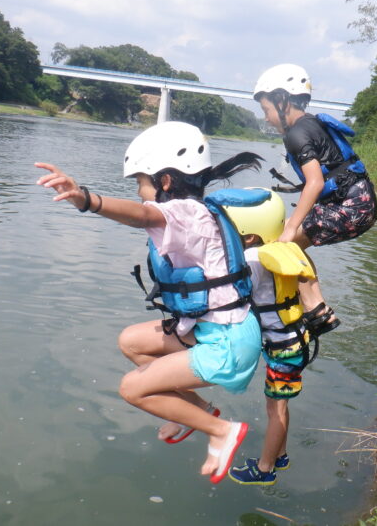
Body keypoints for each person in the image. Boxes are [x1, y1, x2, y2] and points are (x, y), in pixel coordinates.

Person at [35, 121, 266, 484]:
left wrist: (86, 199)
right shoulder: (197, 210)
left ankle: (221, 430)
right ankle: (195, 410)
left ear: (166, 182)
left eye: (141, 182)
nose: (140, 192)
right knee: (132, 341)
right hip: (224, 329)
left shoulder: (182, 212)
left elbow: (143, 214)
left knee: (132, 388)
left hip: (228, 344)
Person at [253, 63, 377, 337]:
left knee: (282, 246)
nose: (266, 118)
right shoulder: (310, 124)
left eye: (266, 110)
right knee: (288, 242)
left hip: (350, 208)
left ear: (282, 101)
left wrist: (289, 229)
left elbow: (315, 182)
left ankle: (315, 310)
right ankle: (315, 306)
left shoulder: (296, 134)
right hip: (360, 204)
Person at [220, 189, 317, 485]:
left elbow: (237, 297)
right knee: (279, 404)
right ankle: (281, 454)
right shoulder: (282, 248)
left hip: (282, 346)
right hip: (295, 339)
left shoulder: (252, 258)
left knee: (276, 409)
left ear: (250, 235)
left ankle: (264, 469)